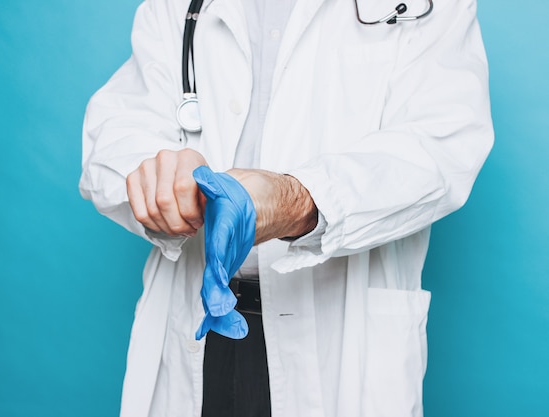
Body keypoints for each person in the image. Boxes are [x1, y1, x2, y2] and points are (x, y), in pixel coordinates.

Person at [79, 0, 493, 415]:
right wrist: (161, 180)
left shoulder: (436, 6)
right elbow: (116, 133)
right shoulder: (175, 6)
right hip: (197, 329)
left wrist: (297, 199)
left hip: (338, 335)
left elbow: (441, 149)